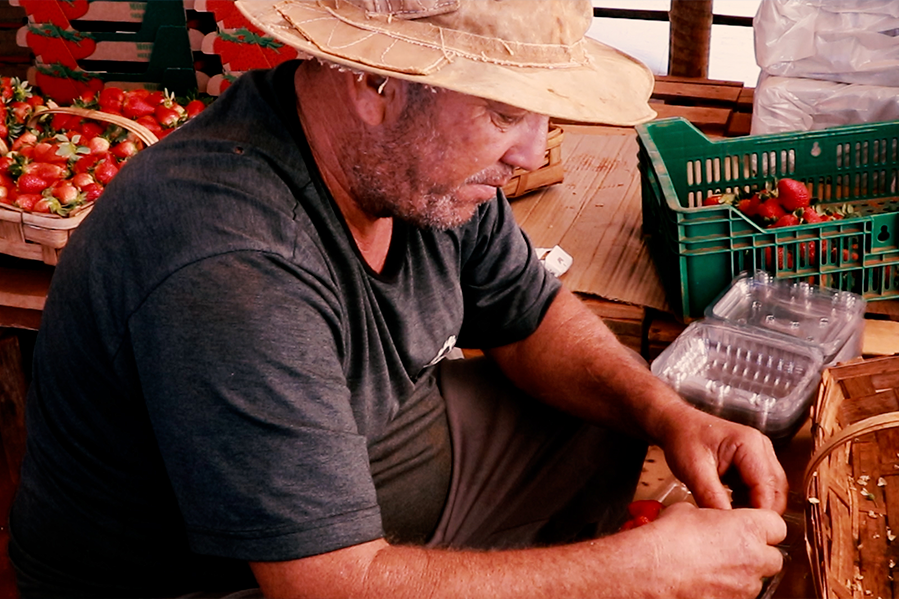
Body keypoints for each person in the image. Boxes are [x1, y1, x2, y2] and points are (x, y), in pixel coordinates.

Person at [9, 0, 789, 597]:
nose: (529, 151)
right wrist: (631, 570)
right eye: (502, 111)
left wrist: (671, 415)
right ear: (375, 87)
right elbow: (326, 584)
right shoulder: (229, 261)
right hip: (209, 578)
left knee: (608, 408)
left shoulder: (422, 172)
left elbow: (531, 315)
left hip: (363, 458)